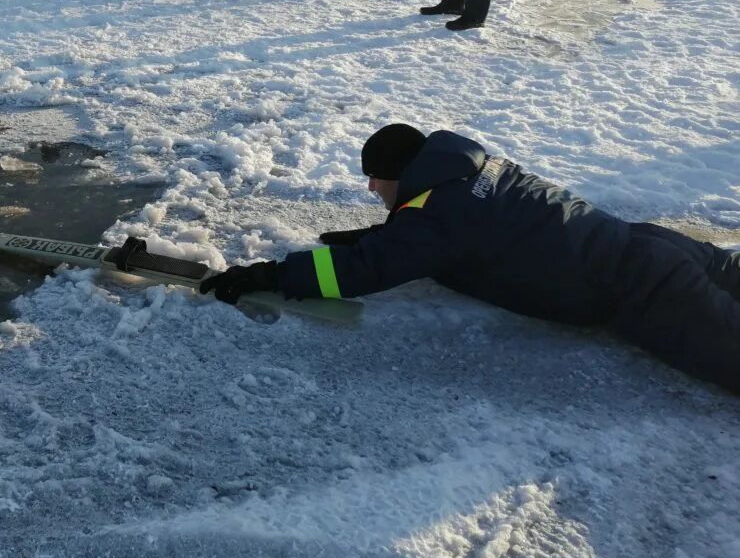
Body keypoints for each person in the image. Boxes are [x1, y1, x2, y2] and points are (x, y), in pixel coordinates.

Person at [199, 124, 740, 395]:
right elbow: (450, 229)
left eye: (375, 179)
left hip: (642, 289)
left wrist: (269, 274)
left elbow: (362, 272)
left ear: (400, 176)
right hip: (648, 244)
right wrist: (376, 235)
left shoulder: (436, 218)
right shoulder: (471, 171)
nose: (369, 187)